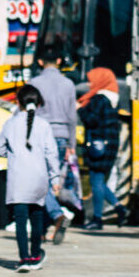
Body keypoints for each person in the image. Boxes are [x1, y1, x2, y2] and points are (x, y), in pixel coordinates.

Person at [0, 85, 60, 272]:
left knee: (20, 220)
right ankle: (36, 255)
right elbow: (51, 153)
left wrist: (14, 154)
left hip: (18, 180)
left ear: (17, 102)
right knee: (37, 217)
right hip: (39, 179)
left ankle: (24, 258)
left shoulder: (10, 124)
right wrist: (55, 178)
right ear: (38, 104)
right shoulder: (44, 126)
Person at [29, 42, 78, 244]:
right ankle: (46, 226)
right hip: (62, 135)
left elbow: (29, 113)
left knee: (41, 182)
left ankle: (56, 215)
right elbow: (72, 116)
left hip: (40, 135)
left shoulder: (34, 82)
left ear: (40, 62)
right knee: (52, 180)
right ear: (59, 61)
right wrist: (71, 144)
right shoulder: (69, 84)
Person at [77, 67, 128, 230]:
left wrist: (80, 110)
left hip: (99, 145)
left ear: (101, 80)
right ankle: (120, 208)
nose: (89, 83)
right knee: (99, 181)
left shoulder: (99, 99)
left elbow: (91, 120)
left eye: (92, 80)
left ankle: (97, 219)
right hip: (109, 144)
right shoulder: (113, 98)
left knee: (96, 181)